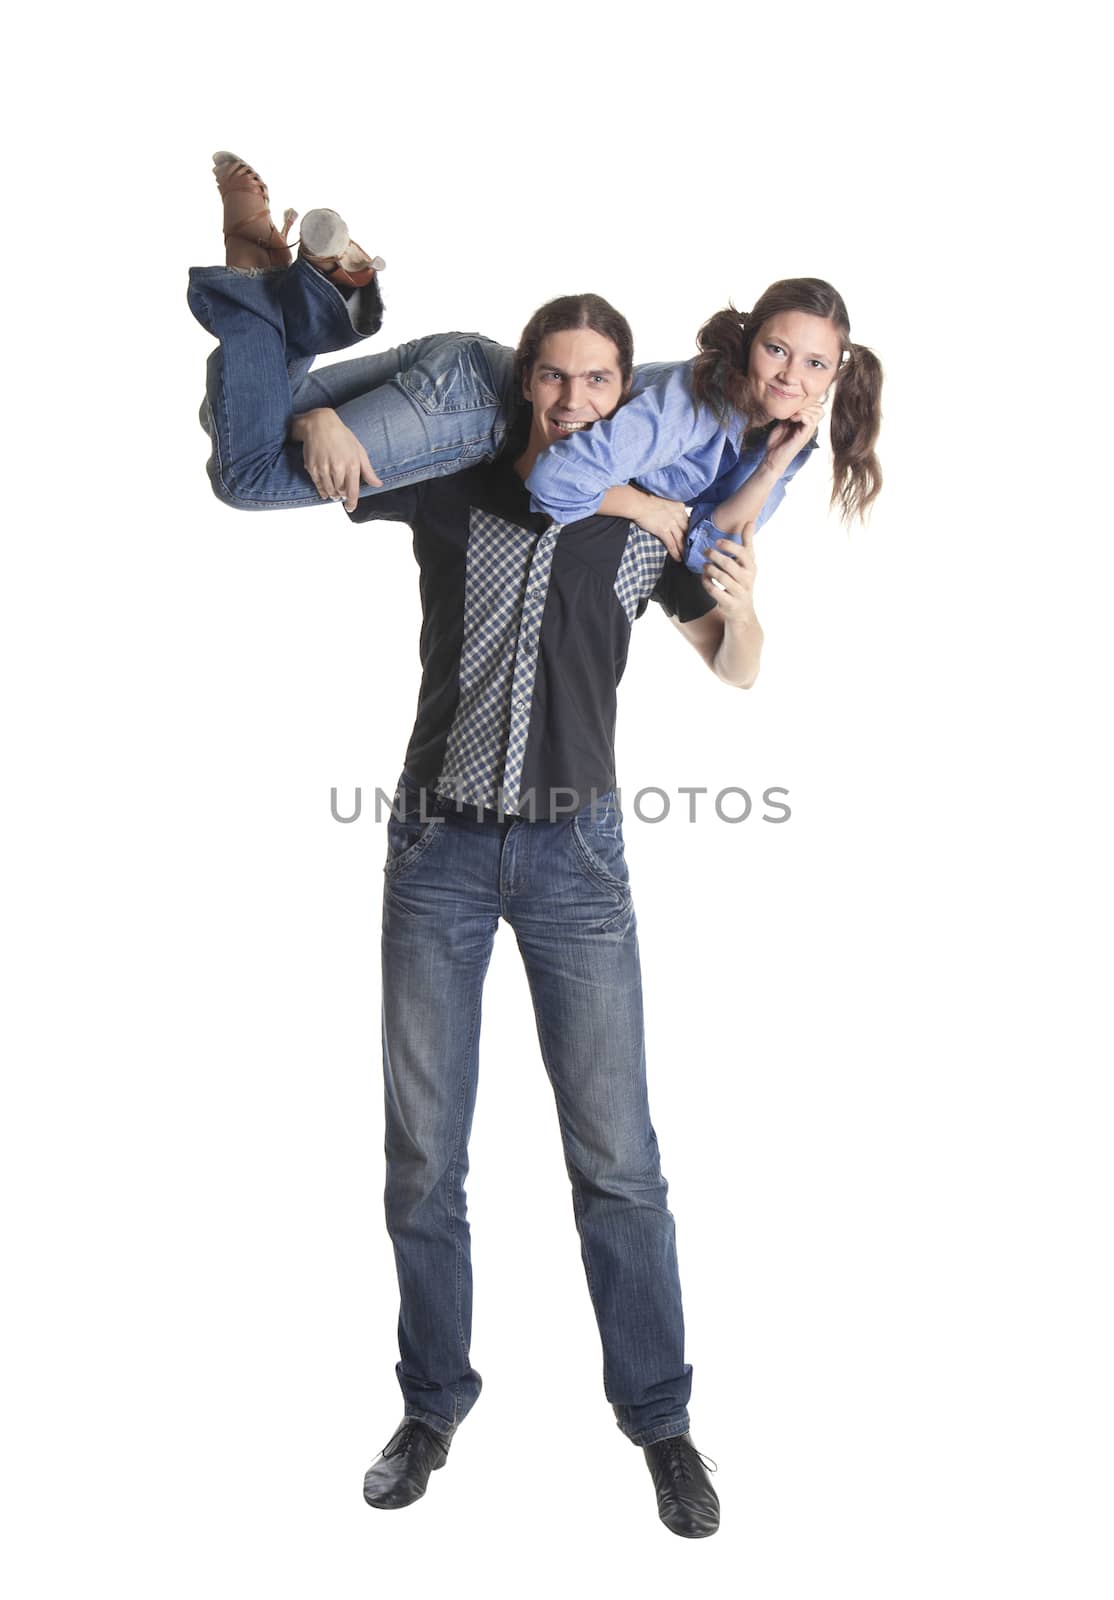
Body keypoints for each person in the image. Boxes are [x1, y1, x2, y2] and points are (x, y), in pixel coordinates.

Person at [188, 155, 765, 1538]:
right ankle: (431, 1403)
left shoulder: (642, 529)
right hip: (438, 852)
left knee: (616, 1159)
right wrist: (336, 446)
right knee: (421, 1159)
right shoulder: (449, 482)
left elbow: (736, 672)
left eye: (598, 385)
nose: (574, 399)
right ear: (526, 384)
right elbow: (273, 471)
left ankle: (661, 1423)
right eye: (555, 379)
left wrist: (740, 608)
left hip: (576, 868)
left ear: (629, 397)